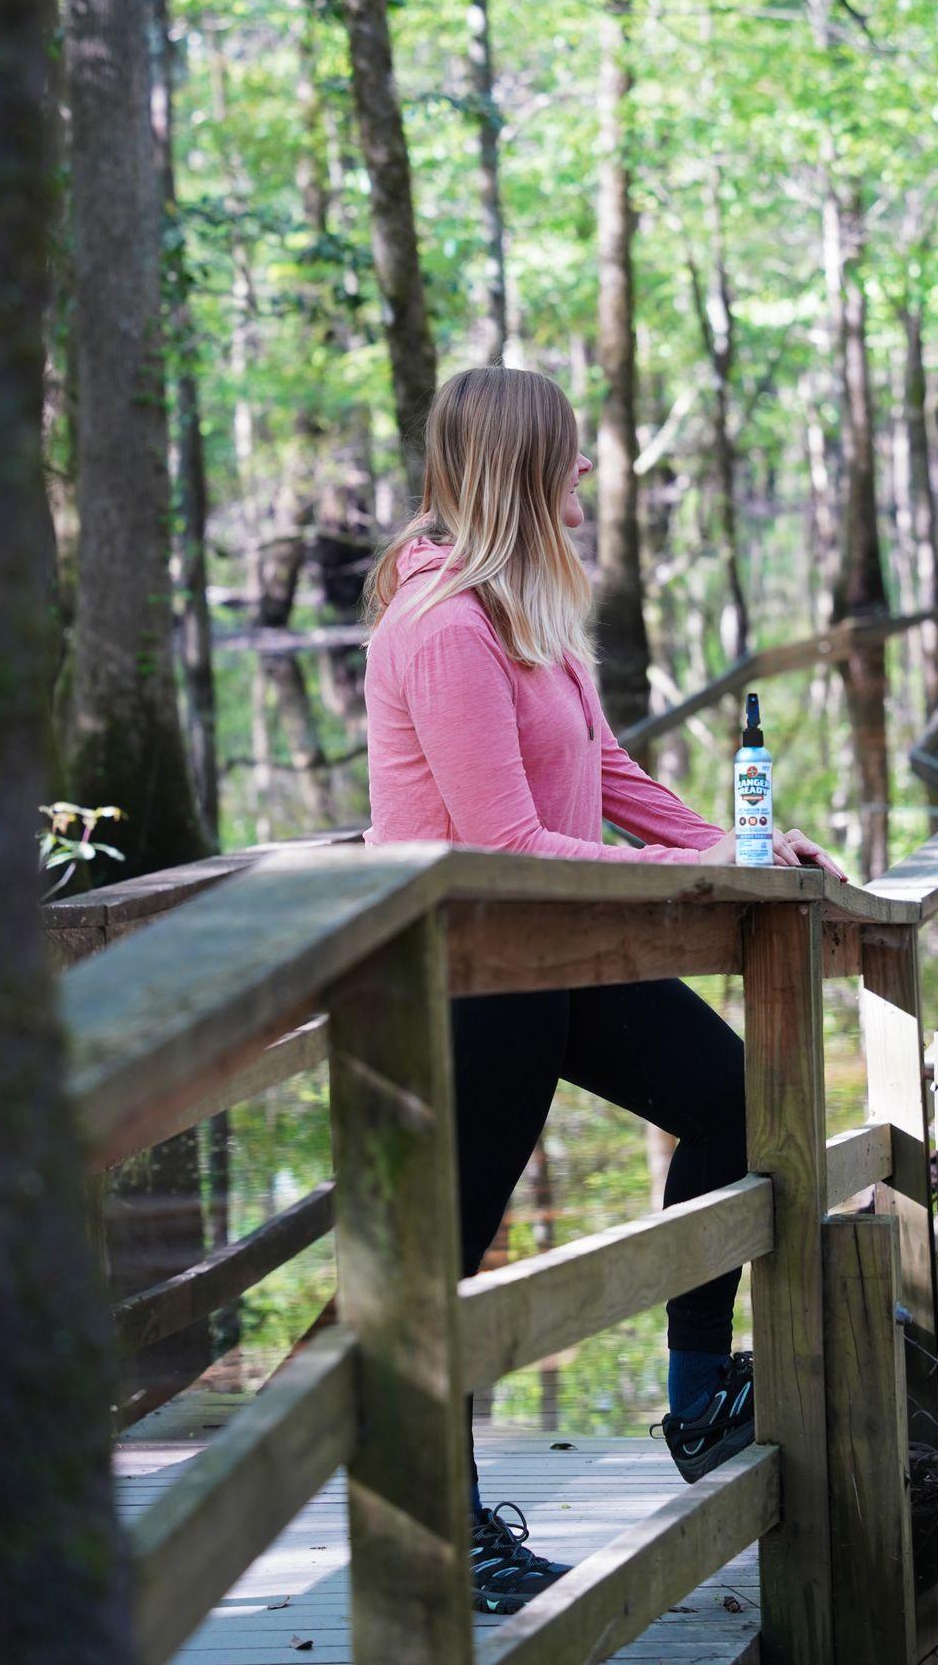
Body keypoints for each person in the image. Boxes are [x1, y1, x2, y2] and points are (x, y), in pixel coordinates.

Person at [362, 366, 848, 1615]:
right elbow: (507, 846)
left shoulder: (521, 607)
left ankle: (697, 1398)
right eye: (569, 459)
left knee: (734, 1097)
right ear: (521, 471)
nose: (586, 476)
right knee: (453, 1252)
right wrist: (690, 878)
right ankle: (438, 1524)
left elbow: (608, 767)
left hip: (562, 955)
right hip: (470, 968)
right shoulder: (443, 626)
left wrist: (733, 847)